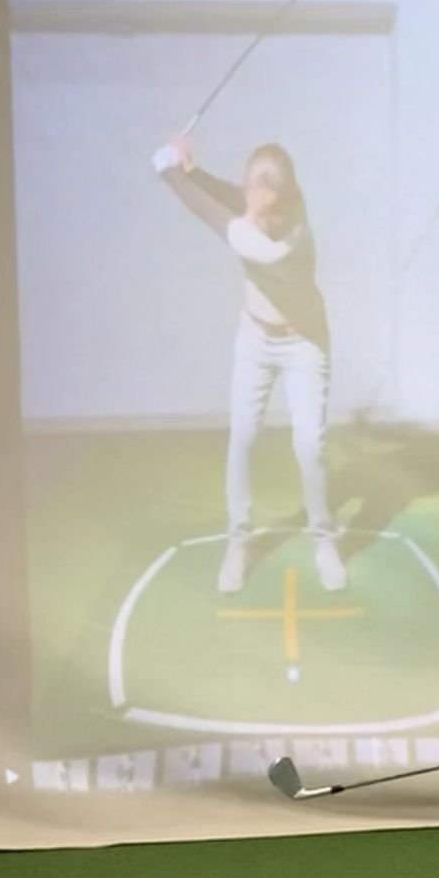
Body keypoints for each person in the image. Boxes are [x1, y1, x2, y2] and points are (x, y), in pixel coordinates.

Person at [150, 133, 346, 595]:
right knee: (242, 436)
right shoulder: (259, 207)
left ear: (289, 200)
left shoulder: (286, 240)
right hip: (255, 338)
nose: (257, 217)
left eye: (266, 211)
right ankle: (239, 541)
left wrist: (168, 173)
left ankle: (323, 539)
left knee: (309, 446)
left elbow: (214, 214)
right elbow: (234, 199)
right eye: (252, 207)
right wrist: (193, 171)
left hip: (304, 344)